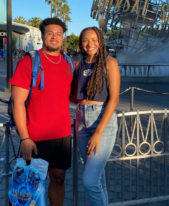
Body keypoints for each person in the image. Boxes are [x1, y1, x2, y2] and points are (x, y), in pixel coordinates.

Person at [9, 18, 74, 206]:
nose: (54, 37)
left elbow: (77, 95)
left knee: (59, 178)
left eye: (59, 34)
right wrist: (24, 138)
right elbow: (18, 102)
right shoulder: (28, 61)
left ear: (63, 37)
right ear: (43, 35)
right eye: (50, 33)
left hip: (62, 135)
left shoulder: (69, 63)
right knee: (32, 185)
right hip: (35, 137)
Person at [70, 26, 120, 206]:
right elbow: (71, 94)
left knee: (90, 181)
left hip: (102, 122)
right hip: (81, 121)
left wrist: (98, 132)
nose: (89, 44)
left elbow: (113, 100)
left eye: (94, 39)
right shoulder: (78, 64)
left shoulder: (109, 62)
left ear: (100, 41)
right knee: (97, 178)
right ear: (80, 43)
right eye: (85, 40)